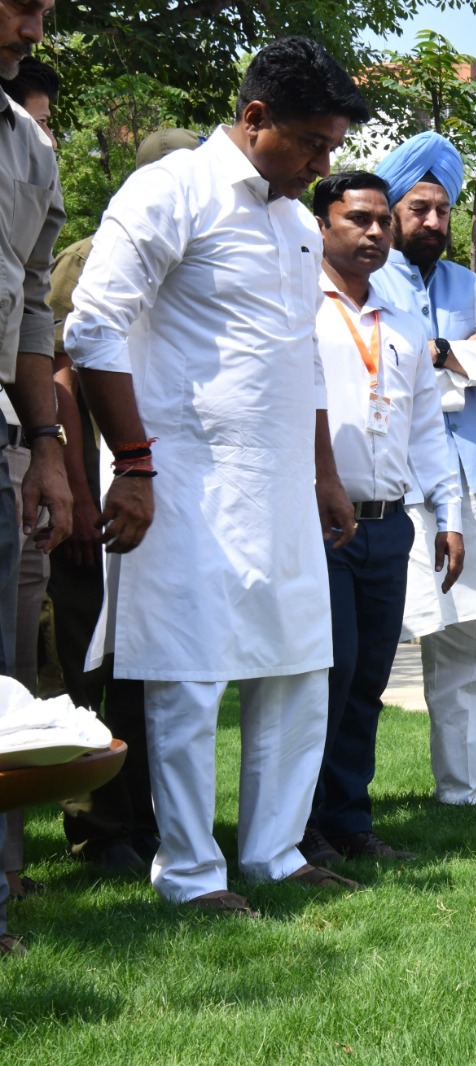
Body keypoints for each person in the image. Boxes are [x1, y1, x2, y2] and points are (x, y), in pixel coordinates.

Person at [65, 36, 370, 914]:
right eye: (312, 142)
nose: (323, 162)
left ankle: (275, 853)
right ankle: (192, 873)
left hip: (279, 485)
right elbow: (93, 329)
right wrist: (131, 463)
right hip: (183, 481)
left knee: (296, 667)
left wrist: (323, 473)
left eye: (331, 146)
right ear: (254, 118)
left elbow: (300, 358)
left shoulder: (291, 222)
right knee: (190, 680)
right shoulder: (171, 192)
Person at [297, 170, 464, 867]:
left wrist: (448, 513)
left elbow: (427, 427)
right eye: (355, 219)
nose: (372, 232)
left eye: (380, 223)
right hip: (315, 521)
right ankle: (297, 823)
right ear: (322, 226)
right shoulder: (298, 305)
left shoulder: (403, 321)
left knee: (366, 678)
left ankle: (348, 818)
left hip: (389, 524)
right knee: (320, 678)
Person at [52, 129, 201, 879]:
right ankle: (96, 826)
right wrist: (78, 492)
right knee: (87, 664)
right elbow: (65, 375)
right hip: (105, 487)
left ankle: (141, 816)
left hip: (163, 483)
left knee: (149, 666)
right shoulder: (93, 253)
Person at [369, 131, 476, 807]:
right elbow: (383, 377)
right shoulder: (365, 277)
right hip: (398, 489)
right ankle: (343, 804)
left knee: (475, 647)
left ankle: (464, 794)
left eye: (442, 209)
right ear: (393, 208)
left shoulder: (468, 283)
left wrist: (440, 353)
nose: (433, 221)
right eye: (419, 208)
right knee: (380, 644)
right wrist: (463, 358)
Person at [0, 0, 72, 957]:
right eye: (22, 6)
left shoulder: (32, 149)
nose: (33, 31)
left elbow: (29, 317)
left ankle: (3, 898)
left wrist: (47, 450)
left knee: (4, 688)